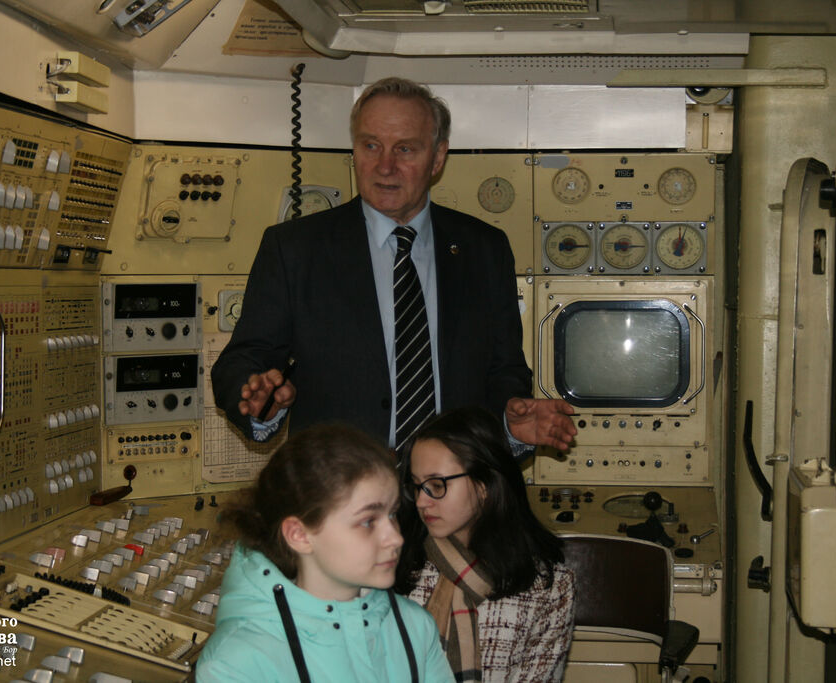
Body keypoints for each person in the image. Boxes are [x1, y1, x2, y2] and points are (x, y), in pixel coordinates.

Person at [210, 76, 577, 451]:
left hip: (454, 477)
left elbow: (504, 370)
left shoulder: (484, 249)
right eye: (371, 145)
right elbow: (242, 361)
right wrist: (260, 400)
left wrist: (510, 424)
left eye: (405, 149)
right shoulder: (295, 249)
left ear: (437, 158)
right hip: (341, 480)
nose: (384, 166)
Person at [195, 423, 455, 683]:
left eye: (392, 514)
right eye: (368, 521)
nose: (396, 538)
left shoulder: (415, 627)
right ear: (299, 535)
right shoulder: (236, 664)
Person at [395, 407, 576, 683]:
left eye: (437, 485)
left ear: (484, 486)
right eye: (417, 485)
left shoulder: (549, 587)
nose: (421, 501)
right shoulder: (396, 566)